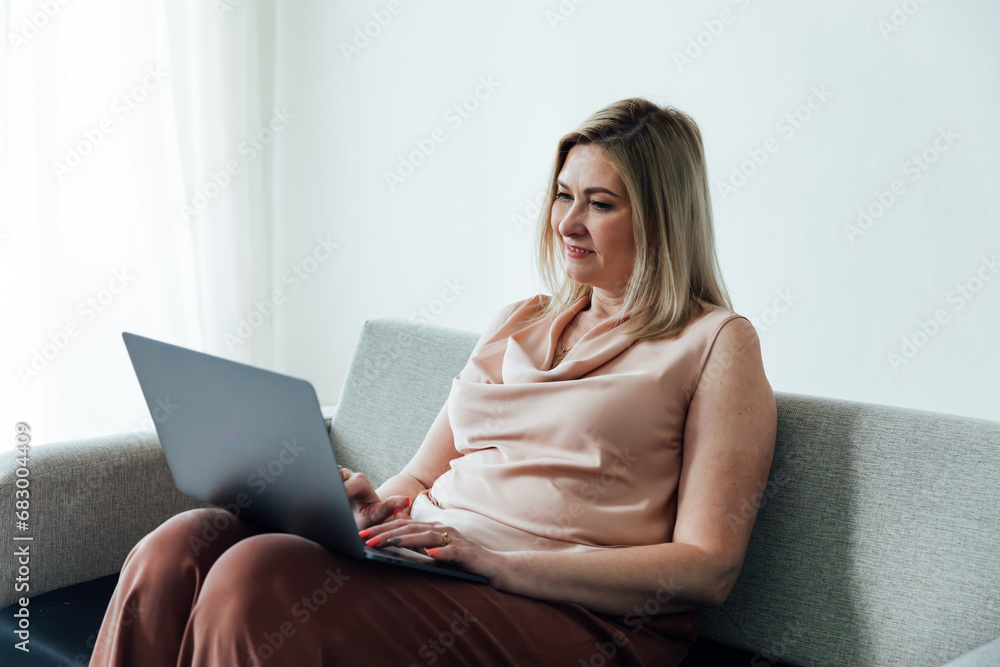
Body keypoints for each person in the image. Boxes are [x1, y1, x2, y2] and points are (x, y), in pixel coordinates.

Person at [91, 97, 776, 666]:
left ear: (662, 217)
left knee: (254, 576)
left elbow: (707, 566)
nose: (566, 222)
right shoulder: (520, 319)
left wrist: (497, 561)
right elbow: (418, 477)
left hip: (574, 613)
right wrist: (364, 512)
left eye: (598, 203)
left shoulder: (716, 343)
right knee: (180, 544)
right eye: (563, 195)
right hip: (439, 564)